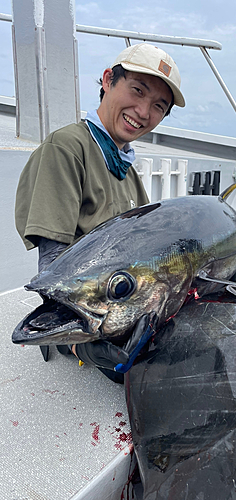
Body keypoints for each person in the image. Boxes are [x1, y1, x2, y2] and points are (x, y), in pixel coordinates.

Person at [15, 43, 185, 380]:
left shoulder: (127, 170)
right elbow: (54, 267)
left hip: (128, 306)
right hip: (91, 317)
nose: (143, 111)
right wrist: (83, 340)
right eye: (137, 90)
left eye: (158, 106)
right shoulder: (66, 147)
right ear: (108, 80)